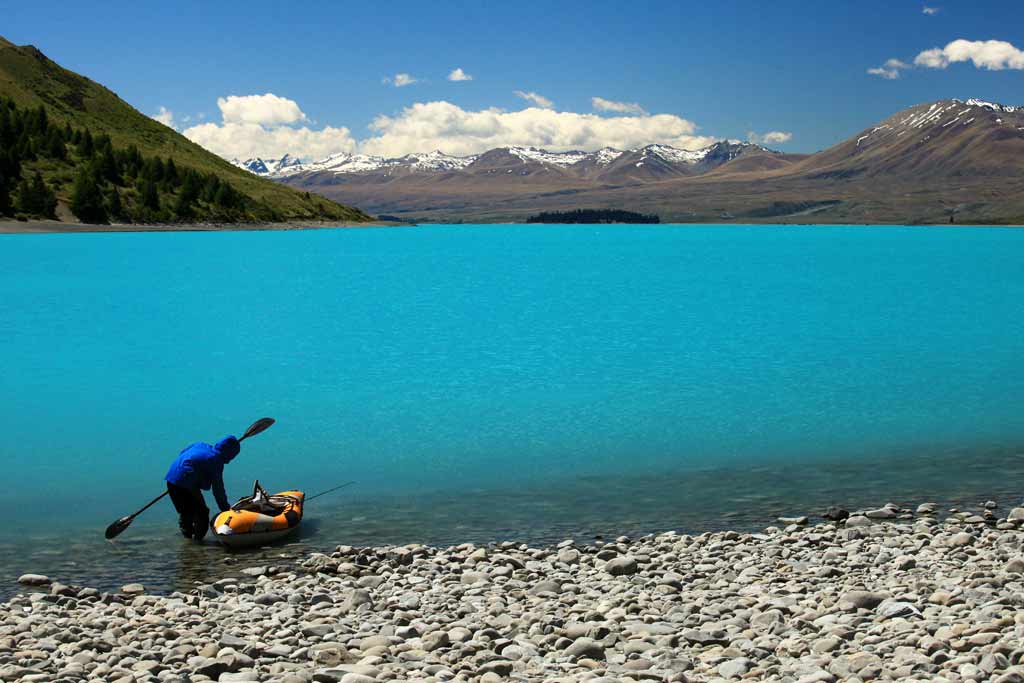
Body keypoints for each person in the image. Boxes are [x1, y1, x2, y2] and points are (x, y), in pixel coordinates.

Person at [164, 435, 240, 541]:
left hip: (171, 479)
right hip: (187, 483)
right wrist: (226, 510)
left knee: (186, 512)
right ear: (229, 454)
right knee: (202, 513)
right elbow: (218, 489)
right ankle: (198, 542)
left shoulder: (200, 444)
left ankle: (188, 543)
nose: (230, 460)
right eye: (232, 456)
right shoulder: (216, 461)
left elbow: (183, 453)